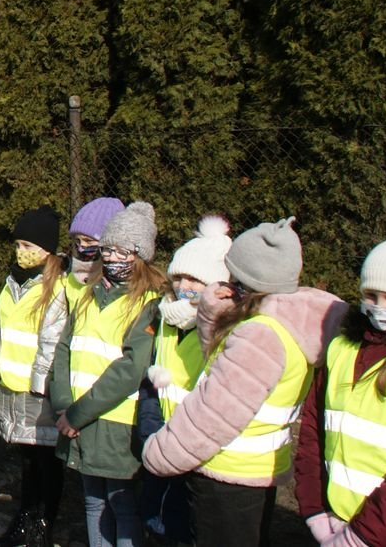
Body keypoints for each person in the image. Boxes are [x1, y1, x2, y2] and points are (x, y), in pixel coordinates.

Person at [142, 217, 348, 547]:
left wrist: (158, 453)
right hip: (258, 469)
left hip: (227, 472)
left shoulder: (259, 336)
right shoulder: (287, 323)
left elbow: (215, 413)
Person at [49, 201, 164, 547]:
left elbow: (130, 368)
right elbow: (64, 349)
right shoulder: (87, 295)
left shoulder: (149, 303)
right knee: (92, 501)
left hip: (116, 423)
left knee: (122, 504)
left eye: (123, 251)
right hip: (76, 419)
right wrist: (62, 403)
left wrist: (78, 412)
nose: (112, 257)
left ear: (140, 255)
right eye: (108, 249)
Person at [295, 235, 386, 547]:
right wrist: (313, 509)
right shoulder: (340, 348)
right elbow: (312, 432)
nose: (379, 307)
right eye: (371, 295)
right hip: (333, 521)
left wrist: (362, 536)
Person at [137, 215, 232, 545]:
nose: (184, 287)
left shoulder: (224, 332)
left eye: (196, 280)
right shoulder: (165, 318)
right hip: (160, 439)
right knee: (156, 519)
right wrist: (149, 433)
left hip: (195, 450)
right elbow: (151, 380)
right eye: (179, 277)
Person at [0, 206, 68, 547]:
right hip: (13, 388)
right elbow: (1, 333)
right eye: (18, 245)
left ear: (47, 251)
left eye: (28, 246)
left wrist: (42, 387)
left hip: (41, 393)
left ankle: (42, 527)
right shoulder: (12, 284)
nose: (21, 252)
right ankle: (24, 520)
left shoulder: (57, 290)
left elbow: (51, 344)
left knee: (46, 463)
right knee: (28, 463)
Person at [66, 197, 125, 306]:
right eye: (78, 240)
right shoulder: (71, 278)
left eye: (89, 241)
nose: (81, 247)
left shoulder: (119, 285)